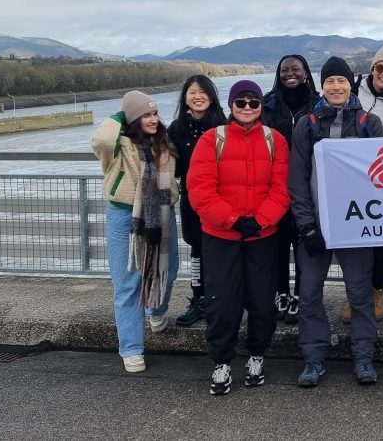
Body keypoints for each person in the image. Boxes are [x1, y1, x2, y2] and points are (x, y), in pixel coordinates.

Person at [186, 80, 291, 396]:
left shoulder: (276, 141)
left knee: (262, 301)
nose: (247, 108)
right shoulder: (211, 140)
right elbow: (200, 189)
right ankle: (222, 362)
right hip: (221, 237)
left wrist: (260, 219)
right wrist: (232, 219)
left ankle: (257, 356)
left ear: (261, 106)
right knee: (222, 302)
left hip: (263, 235)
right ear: (231, 105)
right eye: (241, 102)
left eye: (253, 102)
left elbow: (281, 188)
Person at [288, 57, 383, 388]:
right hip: (316, 226)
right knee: (310, 294)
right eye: (330, 82)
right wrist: (306, 225)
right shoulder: (306, 124)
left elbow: (381, 176)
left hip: (356, 226)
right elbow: (297, 180)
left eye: (342, 81)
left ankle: (363, 357)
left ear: (350, 85)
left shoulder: (369, 123)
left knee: (359, 295)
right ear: (323, 85)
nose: (336, 87)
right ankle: (313, 359)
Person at [91, 91, 179, 373]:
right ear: (131, 120)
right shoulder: (117, 148)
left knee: (168, 269)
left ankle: (156, 311)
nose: (153, 120)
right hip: (124, 216)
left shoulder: (164, 144)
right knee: (128, 282)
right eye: (145, 115)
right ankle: (131, 349)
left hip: (162, 212)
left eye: (154, 114)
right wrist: (122, 113)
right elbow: (102, 139)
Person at [343, 43, 383, 324]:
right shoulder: (354, 92)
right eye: (379, 68)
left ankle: (377, 293)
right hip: (352, 177)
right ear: (372, 69)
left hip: (381, 180)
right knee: (353, 242)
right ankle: (354, 295)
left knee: (379, 241)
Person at [261, 55, 320, 325]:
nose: (290, 74)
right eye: (284, 69)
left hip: (308, 185)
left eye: (295, 68)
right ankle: (281, 293)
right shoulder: (267, 104)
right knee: (277, 243)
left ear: (306, 72)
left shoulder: (318, 104)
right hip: (273, 186)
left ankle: (299, 295)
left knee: (303, 243)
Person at [167, 75, 227, 327]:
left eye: (203, 92)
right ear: (185, 97)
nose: (197, 96)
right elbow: (170, 166)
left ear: (212, 96)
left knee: (221, 249)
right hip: (191, 200)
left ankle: (221, 299)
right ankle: (198, 299)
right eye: (192, 92)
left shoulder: (224, 126)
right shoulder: (175, 129)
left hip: (222, 198)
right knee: (197, 249)